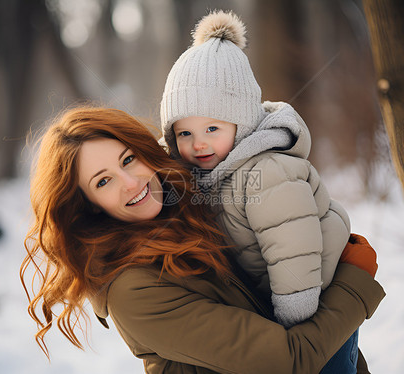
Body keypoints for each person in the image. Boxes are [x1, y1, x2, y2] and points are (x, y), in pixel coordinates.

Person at [21, 106, 384, 373]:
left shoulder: (187, 210)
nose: (130, 183)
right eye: (103, 181)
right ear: (88, 206)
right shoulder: (132, 291)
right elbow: (289, 361)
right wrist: (353, 280)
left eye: (128, 160)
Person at [160, 10, 362, 373]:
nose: (198, 144)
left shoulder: (266, 171)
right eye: (184, 134)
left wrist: (292, 324)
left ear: (243, 123)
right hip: (277, 309)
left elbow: (293, 250)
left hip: (315, 315)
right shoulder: (207, 175)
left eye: (212, 128)